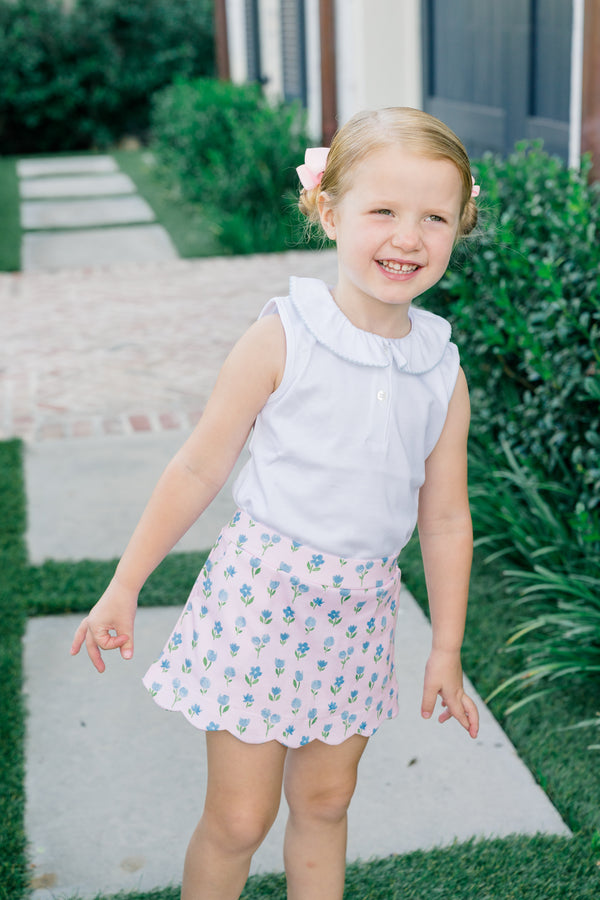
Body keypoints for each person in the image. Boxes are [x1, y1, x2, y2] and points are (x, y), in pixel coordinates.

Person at [72, 106, 480, 900]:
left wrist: (446, 647)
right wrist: (125, 584)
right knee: (239, 818)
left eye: (434, 217)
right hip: (261, 600)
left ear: (459, 226)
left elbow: (445, 518)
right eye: (383, 211)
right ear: (329, 211)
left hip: (359, 613)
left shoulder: (441, 369)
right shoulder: (284, 336)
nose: (408, 237)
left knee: (326, 803)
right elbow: (198, 467)